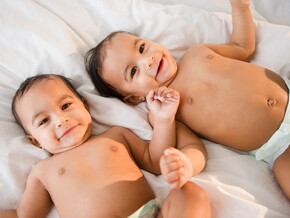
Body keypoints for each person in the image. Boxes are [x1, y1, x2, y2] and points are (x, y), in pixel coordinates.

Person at [84, 0, 290, 200]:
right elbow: (193, 147)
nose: (147, 60)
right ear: (135, 98)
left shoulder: (198, 52)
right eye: (134, 70)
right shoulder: (167, 111)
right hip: (279, 147)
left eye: (141, 48)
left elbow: (242, 46)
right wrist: (187, 165)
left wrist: (240, 7)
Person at [0, 74, 210, 218]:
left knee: (190, 192)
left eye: (65, 106)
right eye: (44, 121)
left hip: (147, 214)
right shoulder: (42, 171)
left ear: (84, 105)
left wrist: (164, 120)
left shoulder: (116, 137)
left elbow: (155, 161)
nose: (60, 120)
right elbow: (23, 215)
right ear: (35, 141)